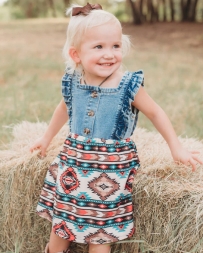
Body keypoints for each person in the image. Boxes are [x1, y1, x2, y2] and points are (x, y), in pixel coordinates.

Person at [30, 3, 203, 253]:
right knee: (61, 224)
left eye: (116, 46)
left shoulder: (128, 85)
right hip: (74, 164)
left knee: (101, 232)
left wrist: (177, 147)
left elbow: (156, 112)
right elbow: (64, 109)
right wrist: (46, 139)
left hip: (109, 172)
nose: (109, 54)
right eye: (99, 47)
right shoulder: (73, 81)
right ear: (76, 54)